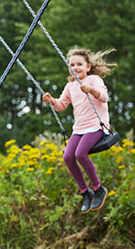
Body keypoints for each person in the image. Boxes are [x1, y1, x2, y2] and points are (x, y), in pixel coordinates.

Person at [42, 47, 117, 214]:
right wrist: (52, 100)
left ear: (88, 67)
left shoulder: (94, 80)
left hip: (97, 126)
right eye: (72, 64)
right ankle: (85, 192)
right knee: (68, 156)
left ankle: (98, 189)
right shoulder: (70, 86)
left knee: (80, 154)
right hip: (79, 129)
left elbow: (104, 97)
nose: (75, 67)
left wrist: (91, 90)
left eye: (79, 64)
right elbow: (61, 105)